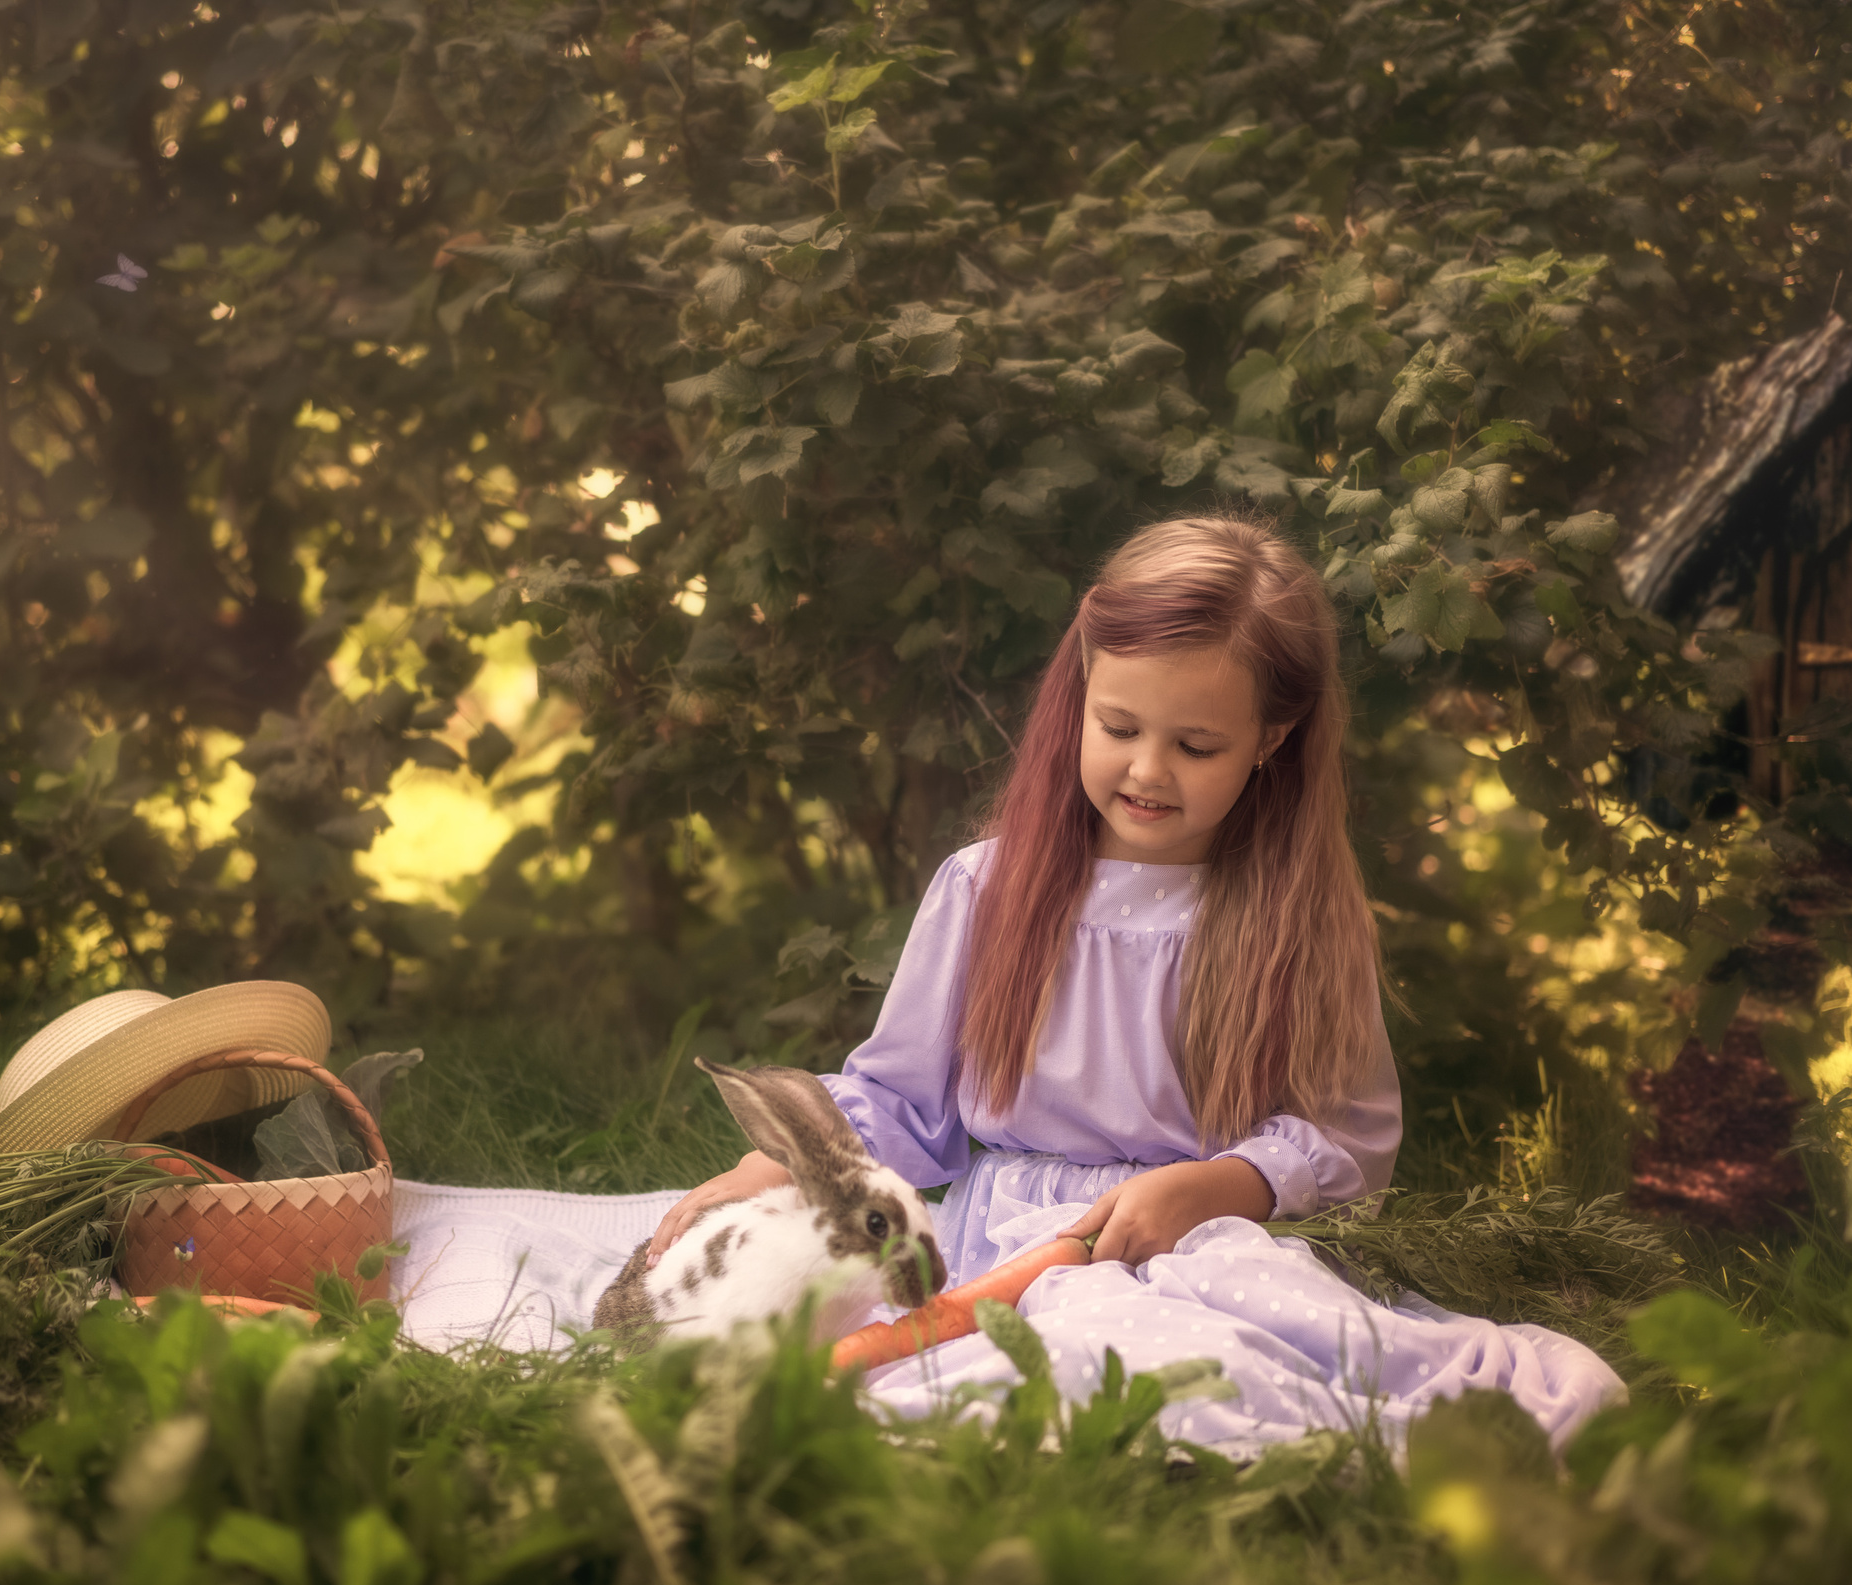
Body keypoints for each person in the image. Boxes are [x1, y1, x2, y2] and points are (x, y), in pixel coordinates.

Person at [643, 512, 1625, 1457]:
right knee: (897, 1345)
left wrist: (1219, 1184)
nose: (1147, 770)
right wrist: (776, 1164)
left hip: (1198, 1239)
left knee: (1214, 1363)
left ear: (1271, 738)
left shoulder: (1298, 918)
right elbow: (902, 1104)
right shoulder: (985, 890)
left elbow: (1345, 1135)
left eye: (1197, 747)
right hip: (1005, 1240)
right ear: (1080, 697)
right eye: (1117, 726)